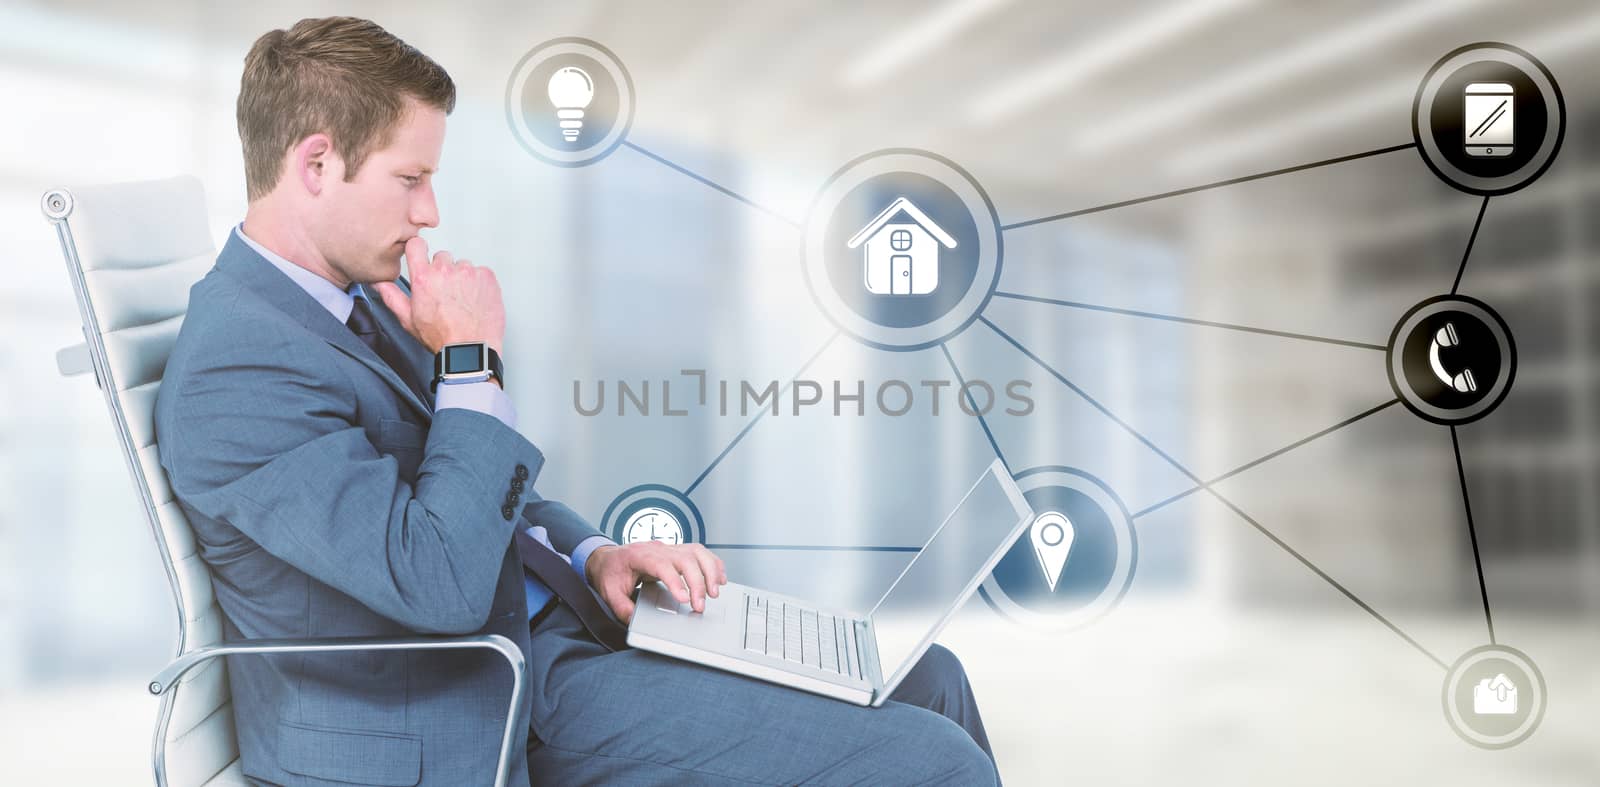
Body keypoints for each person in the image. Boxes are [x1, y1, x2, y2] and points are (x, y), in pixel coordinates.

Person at [154, 16, 997, 786]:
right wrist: (471, 361)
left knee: (932, 678)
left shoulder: (354, 299)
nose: (430, 210)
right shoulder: (239, 370)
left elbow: (470, 492)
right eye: (409, 178)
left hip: (551, 634)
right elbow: (437, 578)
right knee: (937, 761)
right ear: (315, 164)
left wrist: (594, 553)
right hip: (484, 700)